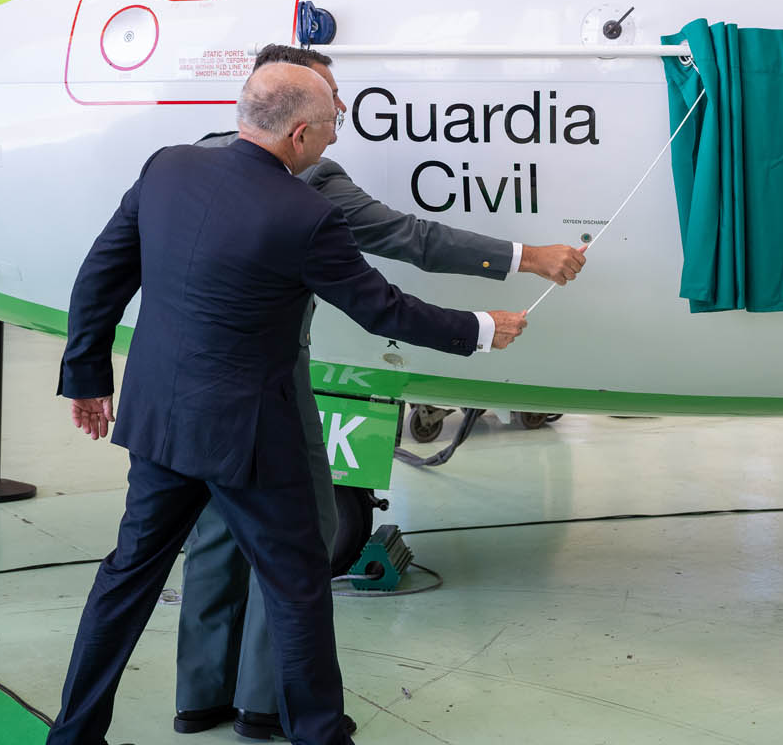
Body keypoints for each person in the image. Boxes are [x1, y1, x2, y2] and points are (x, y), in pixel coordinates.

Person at [47, 63, 528, 745]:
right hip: (250, 442)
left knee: (126, 579)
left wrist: (89, 374)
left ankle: (72, 737)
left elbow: (103, 272)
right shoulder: (304, 214)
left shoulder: (168, 169)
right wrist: (480, 330)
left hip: (158, 421)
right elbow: (379, 309)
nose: (335, 138)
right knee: (297, 587)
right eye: (333, 124)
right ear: (300, 133)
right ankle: (320, 736)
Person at [175, 44, 587, 741]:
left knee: (214, 535)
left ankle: (199, 700)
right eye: (329, 99)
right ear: (294, 112)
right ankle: (263, 706)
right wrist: (520, 268)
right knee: (297, 541)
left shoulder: (190, 159)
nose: (339, 113)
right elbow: (406, 243)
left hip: (186, 390)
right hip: (270, 391)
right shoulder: (310, 182)